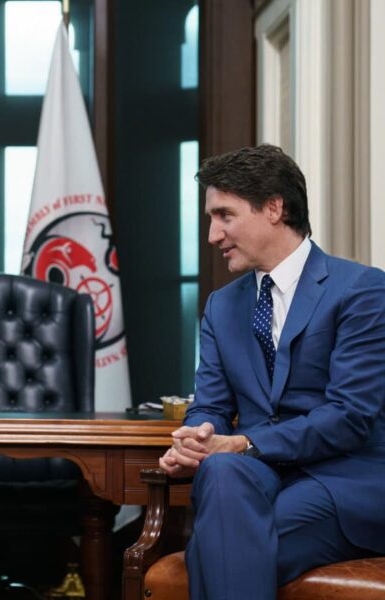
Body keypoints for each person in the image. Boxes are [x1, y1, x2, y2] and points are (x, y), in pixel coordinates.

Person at [159, 145, 385, 600]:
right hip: (255, 476)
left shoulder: (362, 289)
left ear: (274, 208)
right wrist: (196, 438)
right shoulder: (221, 307)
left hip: (343, 479)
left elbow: (349, 415)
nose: (212, 234)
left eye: (224, 215)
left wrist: (244, 442)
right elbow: (211, 406)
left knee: (220, 546)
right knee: (221, 474)